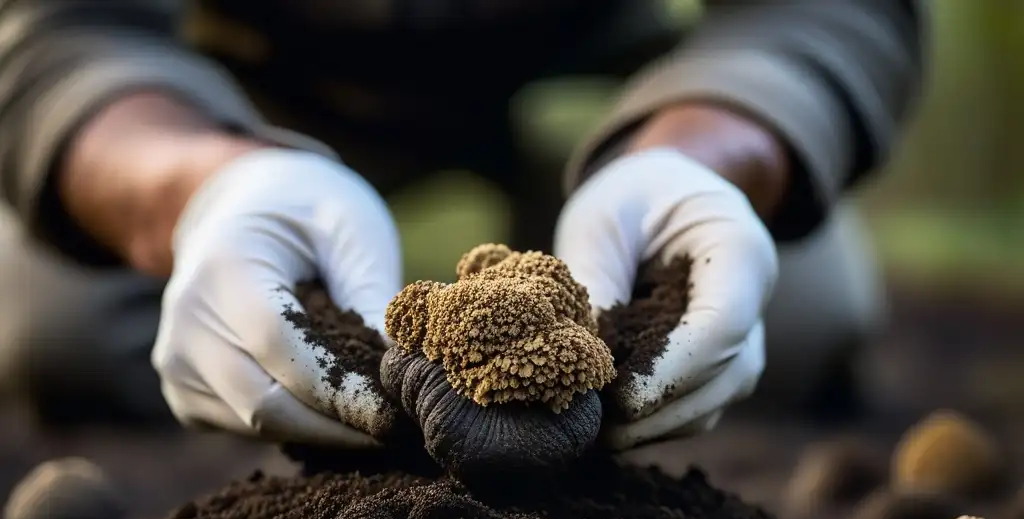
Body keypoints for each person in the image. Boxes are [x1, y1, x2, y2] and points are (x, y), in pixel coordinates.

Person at [0, 0, 926, 451]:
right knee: (65, 334)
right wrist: (198, 187)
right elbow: (56, 28)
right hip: (250, 81)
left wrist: (699, 154)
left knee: (793, 315)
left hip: (585, 73)